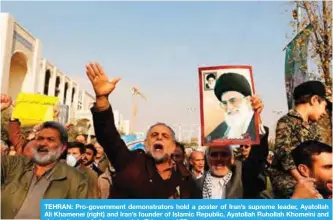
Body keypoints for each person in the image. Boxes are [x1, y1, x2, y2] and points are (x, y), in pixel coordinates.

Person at [86, 62, 200, 198]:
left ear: (173, 146)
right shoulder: (130, 162)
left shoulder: (185, 180)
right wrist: (102, 99)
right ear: (146, 143)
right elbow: (108, 137)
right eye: (154, 135)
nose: (159, 138)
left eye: (165, 136)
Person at [1, 121, 88, 219]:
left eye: (50, 140)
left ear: (62, 148)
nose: (43, 143)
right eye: (40, 138)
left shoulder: (76, 180)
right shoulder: (15, 165)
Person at [270, 81, 328, 198]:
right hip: (288, 181)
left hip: (310, 180)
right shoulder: (287, 121)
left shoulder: (314, 128)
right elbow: (283, 152)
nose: (324, 112)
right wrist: (301, 179)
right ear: (314, 100)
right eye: (324, 107)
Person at [205, 73, 261, 142]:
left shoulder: (258, 129)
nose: (229, 108)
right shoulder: (221, 131)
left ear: (247, 100)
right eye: (224, 103)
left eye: (233, 101)